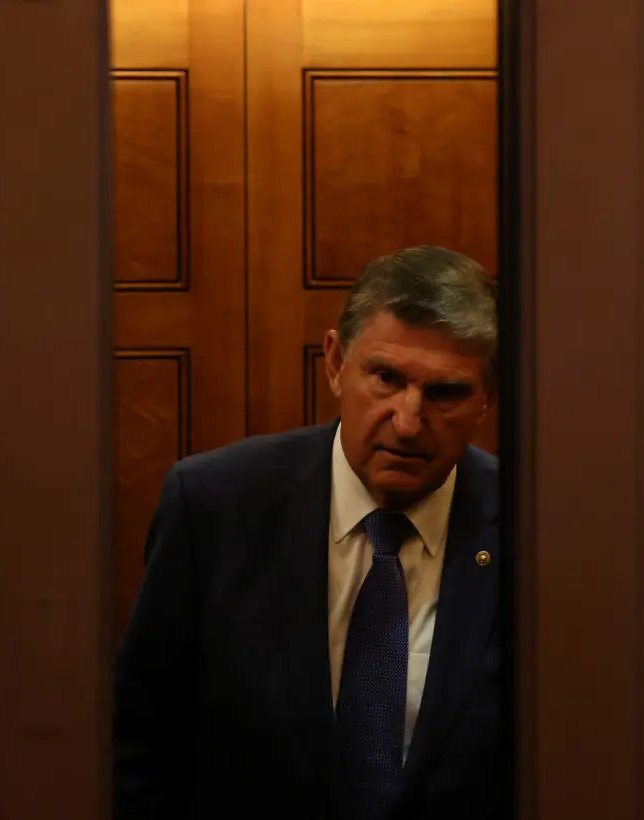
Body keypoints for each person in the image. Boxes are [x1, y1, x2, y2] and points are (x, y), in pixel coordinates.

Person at [113, 246, 503, 820]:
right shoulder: (216, 506)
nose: (408, 420)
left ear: (487, 398)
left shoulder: (532, 527)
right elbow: (141, 745)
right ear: (335, 362)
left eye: (445, 393)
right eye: (385, 377)